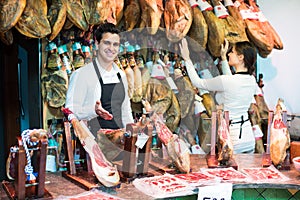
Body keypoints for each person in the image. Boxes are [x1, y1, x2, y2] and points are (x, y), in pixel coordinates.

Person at [65, 23, 134, 159]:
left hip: (121, 147)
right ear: (96, 44)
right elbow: (70, 111)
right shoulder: (82, 75)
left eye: (115, 45)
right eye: (107, 43)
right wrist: (93, 111)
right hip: (94, 150)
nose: (111, 49)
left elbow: (126, 111)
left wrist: (132, 138)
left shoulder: (121, 74)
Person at [179, 38, 258, 154]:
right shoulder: (251, 80)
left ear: (241, 57)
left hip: (232, 140)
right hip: (248, 137)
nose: (229, 53)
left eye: (232, 52)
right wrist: (224, 58)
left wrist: (187, 59)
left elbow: (197, 82)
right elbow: (231, 81)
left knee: (231, 171)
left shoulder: (227, 81)